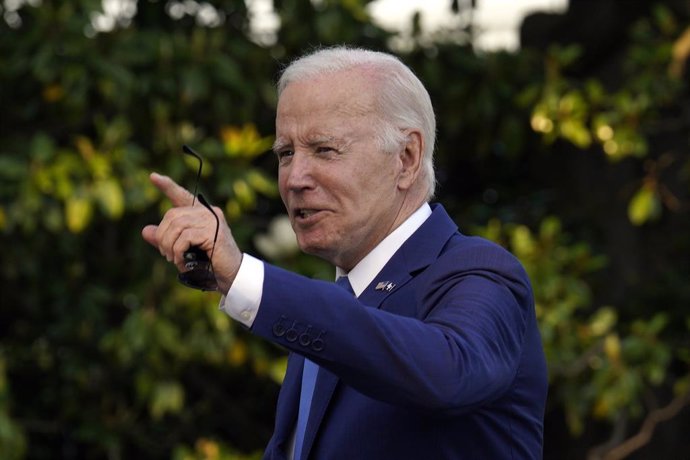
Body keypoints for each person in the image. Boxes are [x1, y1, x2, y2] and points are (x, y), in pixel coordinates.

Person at [142, 46, 548, 459]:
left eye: (324, 150)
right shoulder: (334, 305)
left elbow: (447, 371)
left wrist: (242, 275)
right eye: (285, 154)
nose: (295, 178)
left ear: (406, 159)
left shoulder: (480, 272)